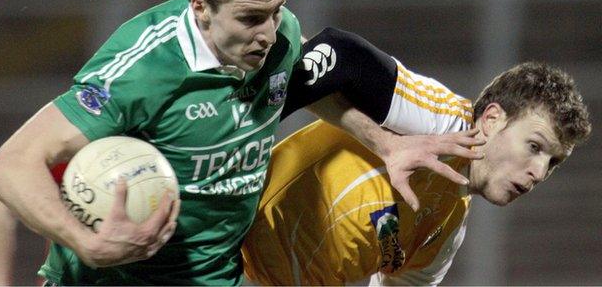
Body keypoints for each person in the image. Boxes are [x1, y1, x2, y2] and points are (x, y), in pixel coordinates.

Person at [0, 0, 480, 285]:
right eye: (249, 18)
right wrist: (83, 246)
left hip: (212, 278)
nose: (268, 32)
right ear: (200, 8)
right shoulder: (142, 72)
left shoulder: (278, 38)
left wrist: (386, 143)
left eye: (276, 10)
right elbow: (8, 170)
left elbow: (304, 83)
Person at [242, 33, 591, 285]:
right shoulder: (440, 120)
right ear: (491, 119)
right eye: (535, 146)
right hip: (221, 244)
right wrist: (242, 131)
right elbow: (339, 52)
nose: (539, 172)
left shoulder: (445, 231)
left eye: (553, 162)